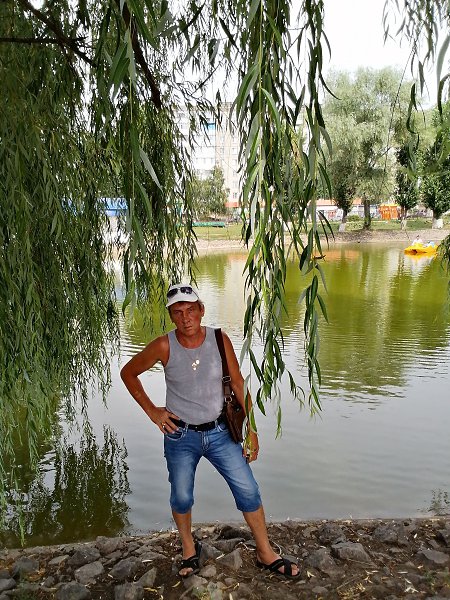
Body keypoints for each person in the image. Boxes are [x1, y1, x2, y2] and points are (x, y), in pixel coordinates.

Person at [120, 283, 300, 580]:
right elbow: (128, 373)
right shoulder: (164, 346)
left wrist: (252, 428)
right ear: (171, 316)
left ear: (201, 310)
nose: (185, 317)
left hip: (220, 433)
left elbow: (238, 383)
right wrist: (153, 411)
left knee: (248, 490)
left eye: (191, 310)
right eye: (178, 312)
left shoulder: (219, 339)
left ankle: (265, 552)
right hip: (180, 435)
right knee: (181, 496)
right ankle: (189, 549)